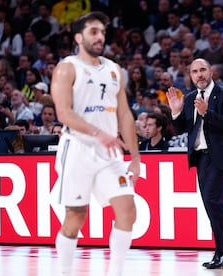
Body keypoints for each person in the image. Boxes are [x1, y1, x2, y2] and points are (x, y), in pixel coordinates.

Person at [50, 12, 140, 276]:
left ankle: (116, 271)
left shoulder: (114, 69)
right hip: (77, 147)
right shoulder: (67, 68)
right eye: (93, 32)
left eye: (102, 31)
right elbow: (63, 113)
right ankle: (64, 271)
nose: (100, 36)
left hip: (109, 151)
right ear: (79, 37)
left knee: (127, 210)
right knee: (75, 216)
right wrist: (98, 132)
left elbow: (124, 114)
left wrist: (135, 158)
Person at [167, 58, 223, 269]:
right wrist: (175, 111)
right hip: (200, 157)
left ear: (210, 72)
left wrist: (206, 113)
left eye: (202, 70)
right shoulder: (191, 97)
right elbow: (183, 128)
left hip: (220, 156)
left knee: (212, 200)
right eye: (194, 72)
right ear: (190, 76)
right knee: (214, 203)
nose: (199, 74)